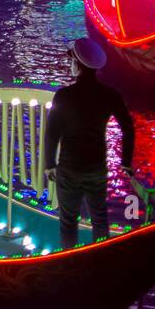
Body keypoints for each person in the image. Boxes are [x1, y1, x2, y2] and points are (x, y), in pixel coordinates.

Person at [43, 38, 136, 251]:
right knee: (100, 219)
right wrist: (126, 162)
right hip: (96, 168)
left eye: (71, 61)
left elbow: (52, 133)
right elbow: (128, 128)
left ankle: (69, 260)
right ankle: (100, 258)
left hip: (69, 168)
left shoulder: (64, 95)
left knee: (68, 221)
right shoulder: (110, 95)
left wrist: (49, 164)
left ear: (77, 65)